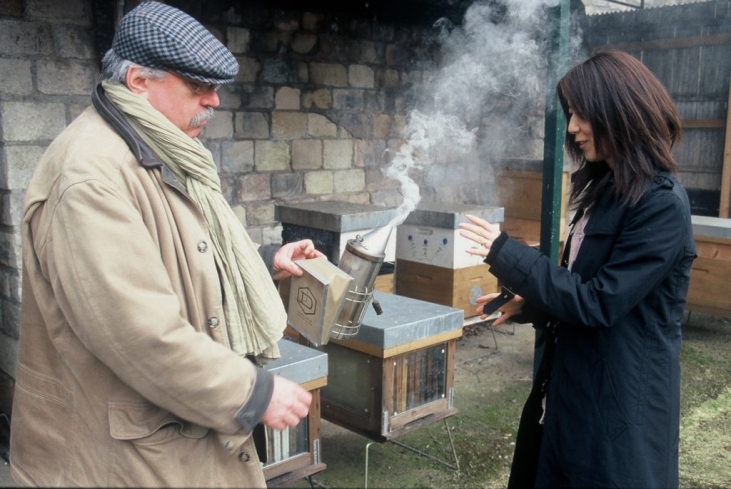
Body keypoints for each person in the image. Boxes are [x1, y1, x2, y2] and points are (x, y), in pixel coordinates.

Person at [9, 2, 323, 487]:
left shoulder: (161, 148)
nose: (214, 102)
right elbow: (138, 331)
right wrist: (253, 395)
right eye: (198, 87)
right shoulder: (89, 178)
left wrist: (262, 264)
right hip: (119, 457)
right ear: (138, 81)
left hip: (161, 441)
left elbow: (181, 254)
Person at [460, 50, 696, 488]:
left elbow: (598, 302)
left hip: (619, 410)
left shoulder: (662, 204)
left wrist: (505, 251)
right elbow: (581, 289)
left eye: (582, 114)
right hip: (569, 391)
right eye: (570, 114)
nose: (572, 127)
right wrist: (531, 305)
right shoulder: (607, 189)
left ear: (619, 109)